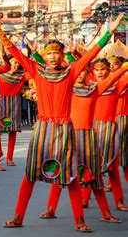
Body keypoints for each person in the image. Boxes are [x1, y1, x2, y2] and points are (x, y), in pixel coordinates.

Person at [0, 13, 124, 232]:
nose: (53, 57)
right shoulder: (36, 69)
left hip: (64, 128)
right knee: (30, 174)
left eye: (56, 53)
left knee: (70, 175)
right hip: (43, 127)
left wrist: (108, 32)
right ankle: (18, 217)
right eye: (49, 53)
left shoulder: (71, 72)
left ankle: (79, 220)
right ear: (45, 55)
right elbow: (15, 51)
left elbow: (90, 55)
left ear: (62, 55)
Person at [39, 64, 127, 223]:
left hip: (90, 135)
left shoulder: (95, 89)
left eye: (82, 72)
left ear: (88, 73)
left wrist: (123, 67)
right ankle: (51, 208)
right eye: (77, 72)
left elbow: (115, 77)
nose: (79, 75)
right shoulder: (66, 89)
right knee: (60, 173)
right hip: (69, 134)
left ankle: (107, 212)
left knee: (94, 174)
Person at [92, 58, 128, 211]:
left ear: (109, 71)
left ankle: (119, 201)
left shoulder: (117, 85)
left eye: (103, 69)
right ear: (92, 72)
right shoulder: (89, 86)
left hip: (109, 129)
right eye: (97, 70)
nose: (100, 72)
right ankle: (83, 199)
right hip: (91, 128)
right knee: (89, 167)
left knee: (112, 167)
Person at [0, 51, 31, 166]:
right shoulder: (0, 75)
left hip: (15, 103)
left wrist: (25, 59)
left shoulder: (22, 77)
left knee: (13, 131)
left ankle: (9, 158)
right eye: (14, 62)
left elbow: (33, 70)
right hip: (2, 103)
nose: (16, 65)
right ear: (8, 62)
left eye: (18, 63)